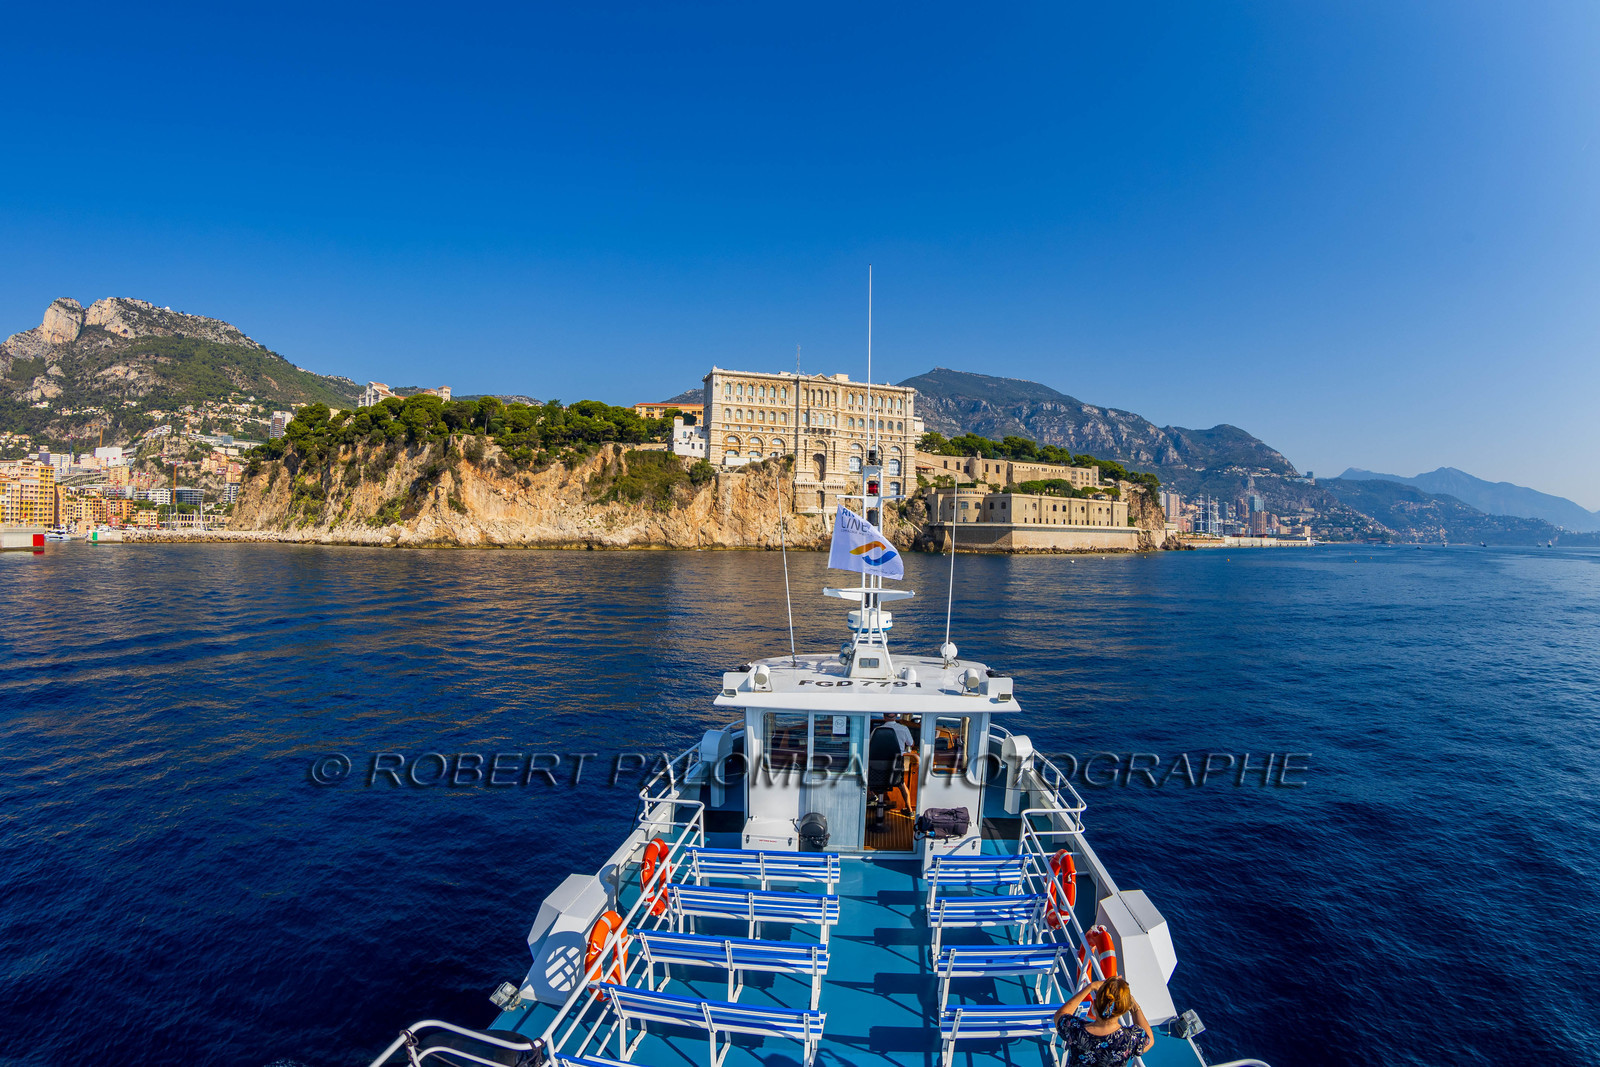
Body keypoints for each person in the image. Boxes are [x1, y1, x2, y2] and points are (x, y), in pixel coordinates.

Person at [1053, 977, 1155, 1066]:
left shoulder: (1076, 1029)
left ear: (1094, 1005)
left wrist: (1090, 987)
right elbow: (1149, 1040)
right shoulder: (1130, 1038)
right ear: (1124, 1009)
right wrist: (1134, 1006)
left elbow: (1060, 1015)